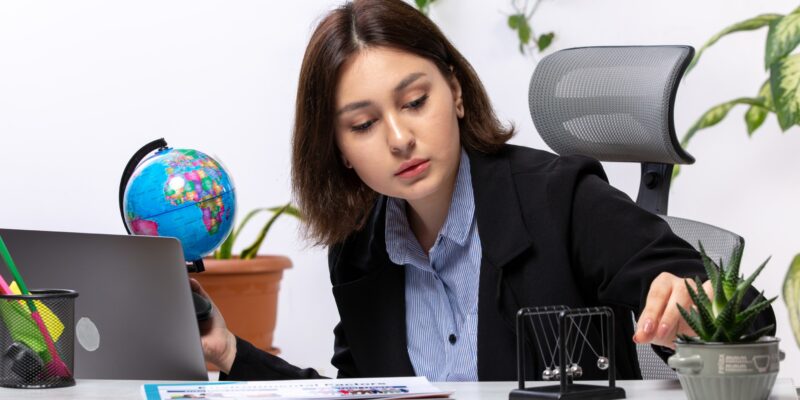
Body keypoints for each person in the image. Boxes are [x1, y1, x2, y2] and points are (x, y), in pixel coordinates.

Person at [190, 0, 775, 381]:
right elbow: (357, 393)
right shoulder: (360, 251)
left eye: (415, 102)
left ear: (457, 92)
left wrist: (691, 303)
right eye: (364, 124)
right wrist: (232, 354)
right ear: (339, 148)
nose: (399, 138)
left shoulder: (559, 197)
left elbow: (747, 317)